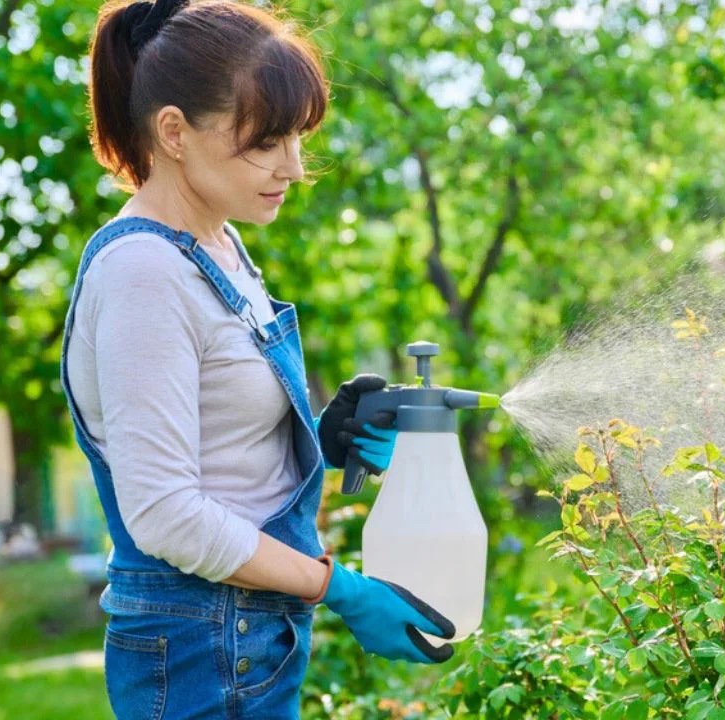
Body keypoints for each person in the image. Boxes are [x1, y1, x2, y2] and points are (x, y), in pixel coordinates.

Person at [60, 1, 456, 717]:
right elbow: (166, 514)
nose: (295, 168)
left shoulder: (219, 245)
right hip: (199, 653)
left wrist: (320, 435)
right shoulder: (143, 273)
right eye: (266, 144)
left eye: (298, 138)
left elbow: (215, 441)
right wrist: (339, 587)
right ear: (174, 132)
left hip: (246, 639)